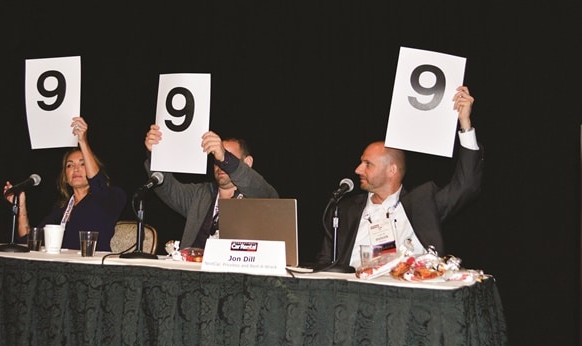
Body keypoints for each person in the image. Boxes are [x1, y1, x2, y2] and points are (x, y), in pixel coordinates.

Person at [316, 86, 483, 269]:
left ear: (392, 170)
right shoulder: (344, 210)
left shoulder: (422, 204)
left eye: (367, 164)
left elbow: (466, 185)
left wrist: (465, 123)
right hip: (352, 291)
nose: (357, 170)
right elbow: (325, 262)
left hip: (407, 291)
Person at [143, 125, 279, 249]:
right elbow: (168, 189)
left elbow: (265, 193)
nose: (220, 164)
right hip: (192, 271)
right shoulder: (201, 194)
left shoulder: (257, 195)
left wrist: (225, 158)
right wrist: (156, 154)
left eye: (227, 158)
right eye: (217, 158)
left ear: (247, 162)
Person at [3, 117, 127, 251]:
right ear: (65, 176)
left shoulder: (112, 197)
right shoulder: (61, 209)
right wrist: (20, 204)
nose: (76, 169)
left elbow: (98, 185)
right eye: (69, 165)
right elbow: (28, 240)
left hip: (93, 267)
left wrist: (83, 142)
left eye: (83, 163)